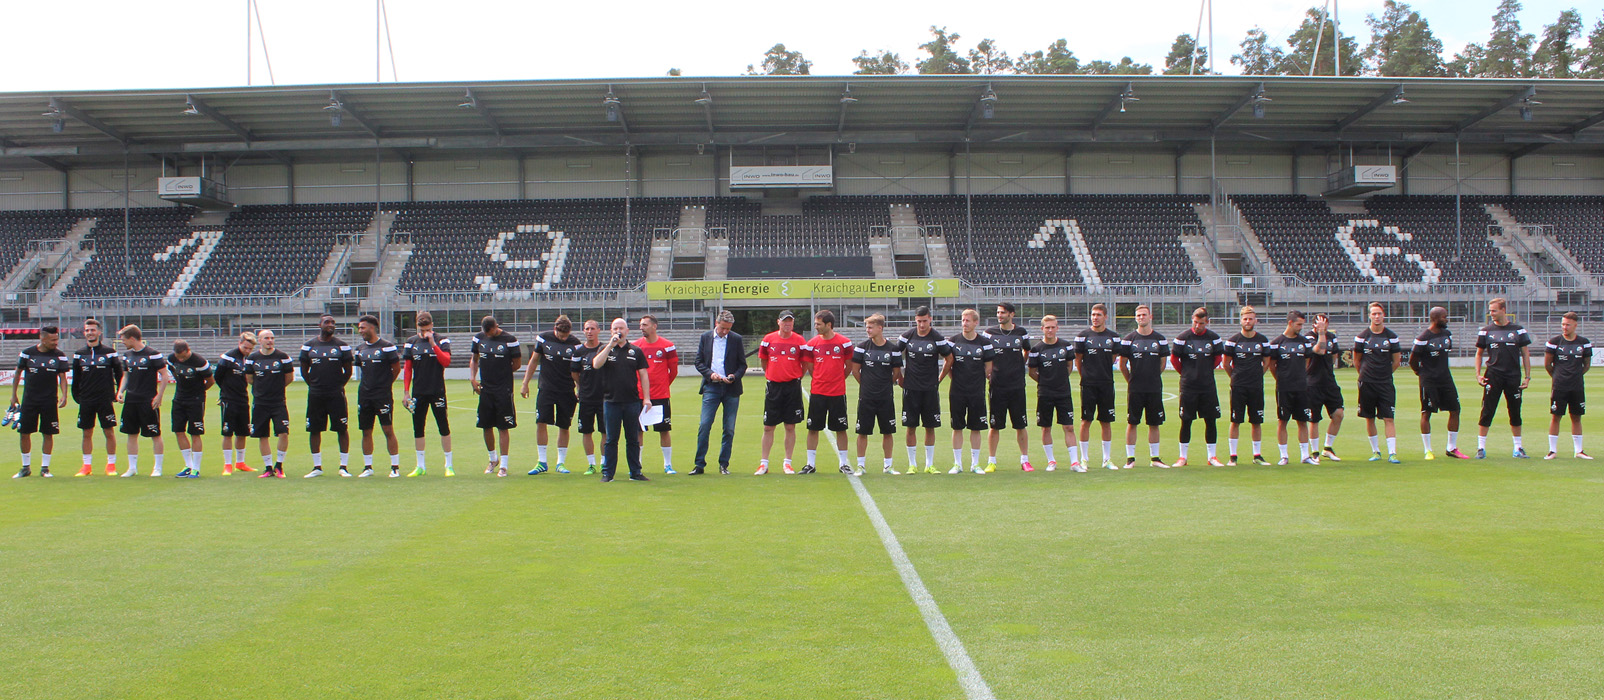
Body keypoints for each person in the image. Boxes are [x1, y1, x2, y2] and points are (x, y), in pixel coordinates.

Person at [592, 317, 651, 482]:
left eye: (621, 328)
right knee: (611, 439)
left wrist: (646, 398)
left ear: (627, 331)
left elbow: (644, 375)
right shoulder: (605, 349)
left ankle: (635, 472)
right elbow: (596, 364)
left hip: (632, 401)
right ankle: (608, 473)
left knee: (633, 439)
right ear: (611, 331)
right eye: (615, 328)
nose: (618, 331)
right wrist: (610, 346)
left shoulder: (635, 351)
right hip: (611, 401)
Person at [1474, 297, 1533, 459]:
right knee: (1487, 410)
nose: (1491, 314)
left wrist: (1527, 377)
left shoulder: (1518, 330)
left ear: (1503, 310)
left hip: (1513, 376)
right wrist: (1478, 374)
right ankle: (1481, 448)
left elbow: (1525, 354)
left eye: (1494, 310)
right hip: (1493, 376)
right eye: (1490, 311)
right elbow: (1479, 354)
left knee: (1515, 411)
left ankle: (1518, 447)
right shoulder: (1486, 331)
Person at [521, 315, 580, 475]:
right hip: (546, 388)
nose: (563, 338)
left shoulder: (575, 344)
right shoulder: (543, 339)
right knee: (541, 422)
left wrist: (579, 388)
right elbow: (534, 361)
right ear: (555, 329)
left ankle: (560, 463)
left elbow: (577, 369)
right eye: (561, 335)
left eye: (566, 335)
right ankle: (542, 461)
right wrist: (525, 383)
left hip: (566, 390)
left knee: (564, 425)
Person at [1411, 307, 1471, 460]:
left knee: (1455, 410)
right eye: (1444, 317)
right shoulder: (1423, 338)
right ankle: (1428, 450)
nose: (1447, 319)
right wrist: (1421, 373)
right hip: (1429, 381)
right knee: (1426, 412)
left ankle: (1451, 448)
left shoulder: (1447, 334)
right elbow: (1413, 361)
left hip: (1446, 379)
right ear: (1435, 318)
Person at [300, 314, 354, 478]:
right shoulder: (308, 346)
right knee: (314, 429)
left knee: (342, 429)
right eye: (327, 322)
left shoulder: (342, 346)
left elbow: (348, 371)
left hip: (336, 394)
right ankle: (317, 467)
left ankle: (343, 466)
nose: (330, 325)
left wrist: (338, 385)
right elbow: (304, 370)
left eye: (333, 322)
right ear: (320, 325)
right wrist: (314, 385)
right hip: (316, 394)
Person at [693, 310, 746, 475]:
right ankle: (699, 464)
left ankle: (724, 464)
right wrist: (710, 374)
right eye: (723, 328)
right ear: (716, 324)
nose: (725, 331)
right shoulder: (705, 337)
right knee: (705, 425)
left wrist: (734, 376)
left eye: (728, 329)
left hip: (731, 388)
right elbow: (699, 362)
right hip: (712, 387)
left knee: (729, 428)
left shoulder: (736, 339)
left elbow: (742, 365)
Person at [1170, 307, 1225, 467]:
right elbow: (1174, 360)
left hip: (1208, 386)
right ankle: (1183, 457)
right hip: (1188, 387)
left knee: (1211, 420)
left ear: (1207, 322)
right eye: (1195, 322)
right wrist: (1186, 374)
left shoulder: (1214, 338)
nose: (1197, 326)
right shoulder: (1182, 338)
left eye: (1201, 323)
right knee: (1186, 420)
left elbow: (1218, 358)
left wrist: (1205, 372)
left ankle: (1212, 457)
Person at [11, 326, 68, 479]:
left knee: (48, 433)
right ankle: (25, 467)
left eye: (56, 339)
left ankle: (45, 468)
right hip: (29, 400)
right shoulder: (27, 353)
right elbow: (17, 373)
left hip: (49, 401)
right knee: (24, 432)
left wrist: (64, 395)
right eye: (52, 340)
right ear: (42, 339)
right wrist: (13, 395)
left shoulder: (59, 356)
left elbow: (62, 377)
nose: (55, 342)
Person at [115, 325, 171, 477]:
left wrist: (159, 396)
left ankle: (157, 468)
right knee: (131, 433)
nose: (122, 342)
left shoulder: (153, 354)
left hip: (148, 400)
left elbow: (164, 375)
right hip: (131, 401)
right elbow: (126, 375)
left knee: (155, 433)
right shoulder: (127, 355)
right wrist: (120, 391)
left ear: (132, 338)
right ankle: (132, 468)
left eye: (124, 339)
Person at [899, 306, 950, 474]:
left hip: (930, 389)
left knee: (930, 426)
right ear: (915, 320)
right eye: (919, 321)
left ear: (930, 319)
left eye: (925, 321)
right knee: (910, 426)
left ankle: (929, 464)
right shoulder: (907, 337)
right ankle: (912, 464)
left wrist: (939, 378)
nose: (922, 325)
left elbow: (949, 358)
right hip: (911, 389)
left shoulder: (937, 338)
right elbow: (895, 355)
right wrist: (900, 377)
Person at [1116, 305, 1169, 468]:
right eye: (1138, 315)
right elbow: (1122, 365)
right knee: (1132, 422)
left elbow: (1162, 363)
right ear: (1135, 318)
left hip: (1154, 388)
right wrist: (1131, 381)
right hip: (1135, 389)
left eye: (1144, 315)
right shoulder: (1129, 339)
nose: (1141, 317)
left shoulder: (1160, 339)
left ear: (1150, 317)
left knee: (1154, 423)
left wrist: (1152, 377)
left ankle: (1155, 458)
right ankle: (1130, 459)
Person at [802, 310, 853, 475]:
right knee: (813, 428)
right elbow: (810, 367)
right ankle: (810, 464)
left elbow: (849, 366)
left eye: (818, 324)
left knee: (841, 428)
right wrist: (821, 379)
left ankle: (843, 464)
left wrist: (837, 380)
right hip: (818, 392)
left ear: (829, 325)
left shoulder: (844, 343)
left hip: (837, 393)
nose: (816, 327)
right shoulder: (812, 344)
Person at [402, 312, 453, 476]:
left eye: (428, 329)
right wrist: (406, 392)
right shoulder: (411, 342)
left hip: (437, 390)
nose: (425, 333)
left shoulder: (442, 340)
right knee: (418, 427)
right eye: (422, 330)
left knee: (443, 426)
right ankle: (420, 466)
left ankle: (449, 465)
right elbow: (408, 368)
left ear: (432, 325)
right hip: (419, 392)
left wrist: (433, 344)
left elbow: (446, 361)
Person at [851, 313, 903, 475]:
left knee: (888, 431)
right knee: (862, 432)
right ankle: (861, 465)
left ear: (880, 328)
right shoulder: (861, 347)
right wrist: (867, 385)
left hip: (885, 397)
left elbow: (896, 372)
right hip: (866, 397)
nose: (867, 330)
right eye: (867, 327)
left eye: (870, 327)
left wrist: (885, 385)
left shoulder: (893, 349)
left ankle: (888, 466)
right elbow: (855, 371)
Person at [470, 315, 521, 477]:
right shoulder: (479, 338)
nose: (488, 335)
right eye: (486, 332)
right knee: (486, 425)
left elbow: (517, 364)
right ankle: (493, 459)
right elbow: (474, 359)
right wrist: (473, 378)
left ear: (496, 327)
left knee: (503, 426)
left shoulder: (510, 340)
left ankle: (504, 465)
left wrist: (501, 373)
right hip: (486, 389)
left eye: (490, 332)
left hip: (503, 389)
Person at [946, 308, 996, 474]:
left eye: (968, 320)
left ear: (976, 322)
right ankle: (957, 464)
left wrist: (977, 381)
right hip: (957, 391)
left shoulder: (984, 343)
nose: (964, 323)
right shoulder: (953, 342)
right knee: (957, 427)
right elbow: (949, 365)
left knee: (976, 428)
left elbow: (988, 367)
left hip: (976, 391)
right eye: (963, 320)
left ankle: (975, 464)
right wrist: (958, 380)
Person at [757, 310, 807, 475]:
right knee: (768, 426)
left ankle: (787, 463)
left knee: (790, 426)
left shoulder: (799, 341)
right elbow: (764, 361)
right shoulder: (768, 339)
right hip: (774, 387)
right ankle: (764, 463)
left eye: (790, 321)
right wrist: (772, 374)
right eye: (785, 321)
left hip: (792, 387)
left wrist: (796, 376)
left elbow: (804, 363)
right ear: (778, 322)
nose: (787, 324)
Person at [70, 318, 121, 476]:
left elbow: (119, 374)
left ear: (99, 332)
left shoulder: (109, 352)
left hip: (104, 398)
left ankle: (111, 465)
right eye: (87, 330)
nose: (89, 333)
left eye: (92, 330)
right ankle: (86, 466)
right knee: (86, 433)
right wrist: (77, 396)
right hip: (86, 399)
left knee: (109, 431)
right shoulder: (79, 354)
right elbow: (76, 378)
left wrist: (118, 393)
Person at [353, 315, 402, 477]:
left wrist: (385, 385)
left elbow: (396, 369)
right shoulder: (359, 349)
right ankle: (368, 467)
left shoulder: (387, 347)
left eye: (363, 327)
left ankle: (395, 467)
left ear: (372, 328)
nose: (360, 331)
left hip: (382, 396)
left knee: (388, 429)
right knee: (366, 431)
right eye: (360, 328)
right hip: (364, 395)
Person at [986, 302, 1032, 472]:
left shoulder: (1021, 333)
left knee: (1020, 425)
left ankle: (1025, 460)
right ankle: (991, 461)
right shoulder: (989, 333)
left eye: (1003, 312)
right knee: (995, 426)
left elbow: (1026, 351)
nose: (999, 315)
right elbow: (985, 355)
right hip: (997, 385)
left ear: (1012, 314)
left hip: (1017, 385)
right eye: (998, 312)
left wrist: (1018, 366)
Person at [1265, 312, 1316, 465]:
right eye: (1298, 324)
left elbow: (1307, 362)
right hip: (1284, 388)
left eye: (1302, 324)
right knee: (1283, 421)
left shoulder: (1305, 342)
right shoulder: (1277, 343)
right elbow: (1272, 365)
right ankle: (1284, 456)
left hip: (1301, 387)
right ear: (1290, 323)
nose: (1301, 328)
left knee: (1303, 421)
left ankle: (1305, 456)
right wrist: (1281, 379)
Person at [1354, 302, 1402, 463]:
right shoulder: (1362, 337)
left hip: (1385, 383)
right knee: (1369, 417)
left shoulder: (1391, 337)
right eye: (1374, 314)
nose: (1376, 316)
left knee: (1389, 418)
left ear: (1383, 315)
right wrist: (1365, 374)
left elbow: (1396, 361)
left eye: (1379, 313)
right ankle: (1376, 451)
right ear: (1369, 316)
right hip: (1367, 383)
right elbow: (1357, 360)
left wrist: (1385, 374)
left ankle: (1392, 453)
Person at [1075, 303, 1121, 470]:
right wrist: (1086, 376)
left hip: (1106, 384)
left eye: (1098, 315)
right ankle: (1084, 459)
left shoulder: (1114, 337)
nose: (1095, 317)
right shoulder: (1082, 336)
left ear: (1105, 317)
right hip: (1088, 384)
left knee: (1106, 421)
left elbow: (1113, 358)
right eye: (1093, 314)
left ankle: (1106, 459)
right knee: (1086, 421)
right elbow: (1078, 360)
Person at [1027, 315, 1076, 471]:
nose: (1050, 330)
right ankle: (1051, 461)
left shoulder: (1066, 346)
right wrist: (1045, 381)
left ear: (1057, 328)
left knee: (1069, 427)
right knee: (1046, 427)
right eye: (1047, 327)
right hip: (1045, 393)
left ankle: (1074, 462)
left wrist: (1060, 380)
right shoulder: (1036, 350)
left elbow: (1069, 366)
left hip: (1063, 393)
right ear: (1042, 329)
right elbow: (1032, 372)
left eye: (1053, 327)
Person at [1223, 306, 1270, 466]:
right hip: (1238, 387)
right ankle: (1233, 456)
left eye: (1250, 319)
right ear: (1240, 320)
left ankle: (1257, 455)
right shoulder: (1233, 340)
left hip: (1256, 386)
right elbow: (1226, 364)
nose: (1248, 321)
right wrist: (1236, 377)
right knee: (1235, 420)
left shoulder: (1262, 340)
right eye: (1245, 319)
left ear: (1255, 320)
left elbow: (1266, 362)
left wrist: (1257, 375)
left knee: (1256, 421)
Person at [633, 314, 679, 474]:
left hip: (660, 396)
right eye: (641, 325)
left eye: (645, 325)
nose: (641, 328)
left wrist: (663, 386)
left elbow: (673, 371)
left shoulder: (667, 346)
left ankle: (668, 464)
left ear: (654, 326)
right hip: (639, 395)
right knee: (638, 431)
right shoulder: (635, 346)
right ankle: (637, 464)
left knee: (664, 429)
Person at [246, 329, 294, 477]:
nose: (270, 341)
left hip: (278, 402)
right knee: (262, 435)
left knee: (283, 433)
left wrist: (276, 389)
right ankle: (268, 468)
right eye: (266, 338)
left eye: (272, 338)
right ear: (259, 340)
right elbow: (250, 379)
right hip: (260, 403)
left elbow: (289, 378)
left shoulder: (283, 357)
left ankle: (279, 466)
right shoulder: (252, 358)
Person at [1544, 311, 1592, 460]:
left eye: (1568, 325)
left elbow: (1586, 365)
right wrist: (1558, 377)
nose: (1565, 327)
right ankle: (1552, 450)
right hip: (1559, 386)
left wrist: (1575, 376)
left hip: (1577, 386)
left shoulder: (1584, 343)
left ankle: (1579, 451)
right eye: (1563, 324)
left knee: (1576, 417)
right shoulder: (1554, 342)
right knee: (1556, 416)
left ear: (1575, 325)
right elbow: (1548, 365)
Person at [213, 332, 258, 475]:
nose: (247, 351)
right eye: (245, 348)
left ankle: (240, 462)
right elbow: (218, 377)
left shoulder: (249, 359)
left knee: (242, 432)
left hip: (243, 399)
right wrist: (226, 392)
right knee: (227, 432)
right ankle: (227, 464)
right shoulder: (228, 357)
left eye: (250, 349)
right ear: (240, 343)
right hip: (229, 399)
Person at [167, 340, 212, 478]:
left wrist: (198, 392)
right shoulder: (171, 359)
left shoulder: (200, 362)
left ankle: (196, 469)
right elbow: (175, 373)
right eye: (178, 357)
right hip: (179, 399)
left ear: (188, 350)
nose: (180, 359)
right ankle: (188, 465)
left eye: (183, 357)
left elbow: (211, 381)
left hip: (195, 401)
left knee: (195, 432)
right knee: (178, 431)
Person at [1306, 312, 1345, 462]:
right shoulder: (1309, 337)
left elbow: (1334, 355)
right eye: (1320, 323)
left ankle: (1327, 448)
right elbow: (1320, 350)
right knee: (1314, 419)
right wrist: (1321, 333)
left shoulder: (1332, 337)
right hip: (1313, 383)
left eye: (1325, 323)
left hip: (1329, 381)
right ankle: (1315, 452)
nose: (1323, 326)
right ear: (1314, 324)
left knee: (1338, 414)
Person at [571, 320, 607, 475]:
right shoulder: (579, 352)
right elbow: (574, 373)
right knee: (586, 431)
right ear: (583, 331)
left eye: (592, 328)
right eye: (587, 329)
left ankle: (604, 463)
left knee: (605, 432)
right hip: (586, 398)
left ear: (598, 330)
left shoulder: (605, 349)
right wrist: (581, 387)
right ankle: (591, 464)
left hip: (604, 398)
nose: (590, 331)